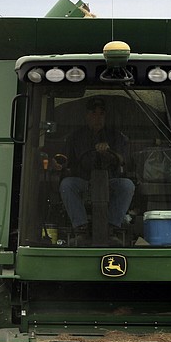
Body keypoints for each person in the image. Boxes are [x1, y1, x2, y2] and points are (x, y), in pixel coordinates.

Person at [57, 97, 134, 243]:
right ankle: (81, 229)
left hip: (110, 181)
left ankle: (111, 229)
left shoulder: (116, 136)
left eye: (101, 114)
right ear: (87, 116)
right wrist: (59, 163)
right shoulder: (75, 137)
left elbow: (123, 159)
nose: (97, 118)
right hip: (83, 181)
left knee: (127, 185)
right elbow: (64, 158)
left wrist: (108, 152)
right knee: (67, 185)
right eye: (94, 114)